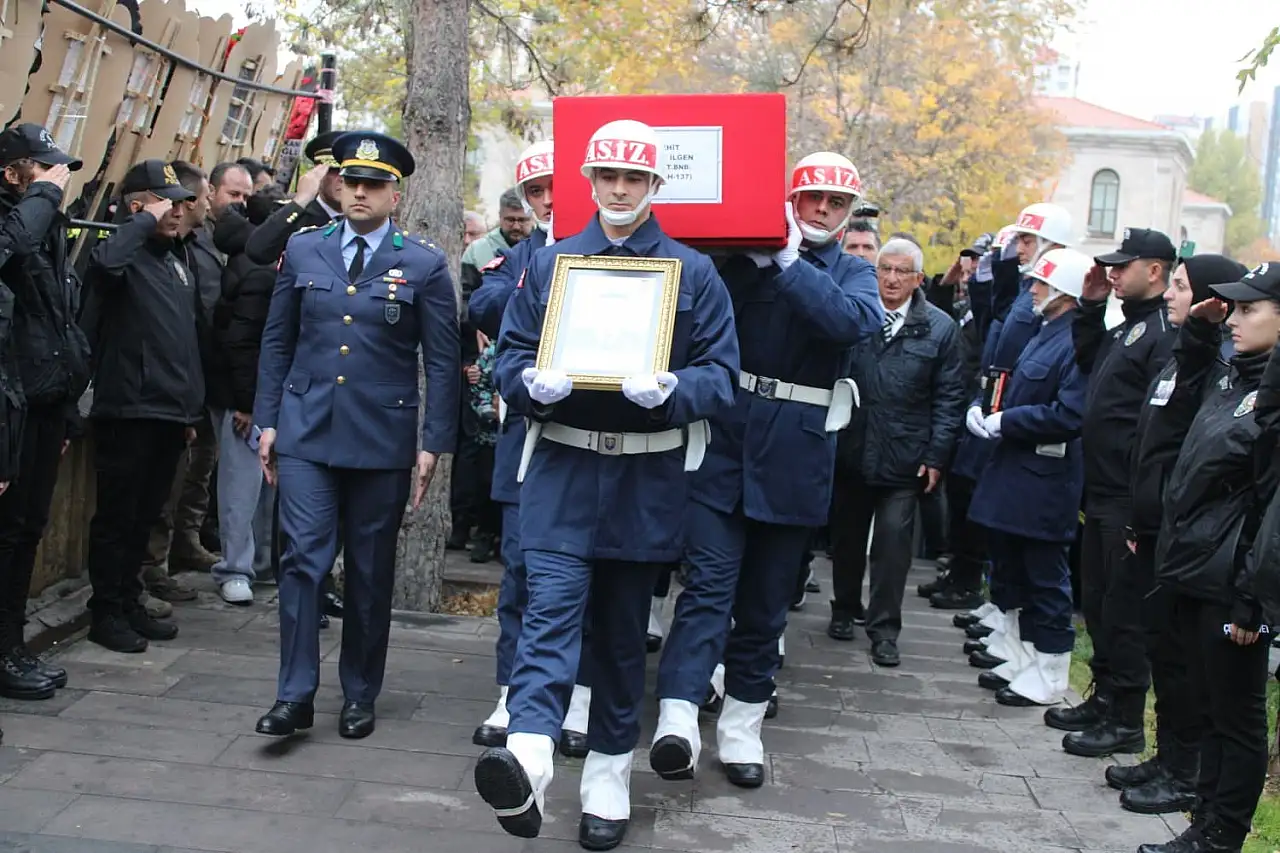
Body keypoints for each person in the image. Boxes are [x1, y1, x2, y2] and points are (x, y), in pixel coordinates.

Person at [473, 118, 739, 851]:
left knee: (623, 639)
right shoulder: (554, 261)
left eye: (634, 179)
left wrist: (675, 390)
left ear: (655, 186)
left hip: (646, 477)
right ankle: (528, 755)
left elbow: (721, 377)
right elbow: (508, 358)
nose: (619, 190)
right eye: (607, 177)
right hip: (562, 469)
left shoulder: (694, 272)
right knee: (547, 618)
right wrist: (529, 382)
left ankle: (608, 773)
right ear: (588, 183)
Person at [651, 151, 880, 789]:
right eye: (813, 200)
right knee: (705, 591)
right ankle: (677, 715)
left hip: (796, 457)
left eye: (837, 203)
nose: (824, 211)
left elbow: (849, 324)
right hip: (726, 446)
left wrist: (784, 262)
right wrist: (748, 254)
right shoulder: (734, 264)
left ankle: (742, 727)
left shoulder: (853, 274)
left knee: (765, 605)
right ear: (793, 200)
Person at [251, 131, 461, 740]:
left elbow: (443, 360)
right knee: (302, 563)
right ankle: (294, 695)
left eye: (374, 185)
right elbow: (277, 340)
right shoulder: (305, 248)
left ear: (395, 194)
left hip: (380, 438)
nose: (360, 192)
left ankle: (360, 693)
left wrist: (432, 444)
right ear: (337, 183)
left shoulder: (422, 262)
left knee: (369, 573)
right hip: (306, 432)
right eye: (351, 181)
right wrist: (268, 419)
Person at [1134, 264, 1280, 853]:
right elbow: (1181, 400)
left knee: (1236, 714)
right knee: (1211, 704)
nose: (1235, 319)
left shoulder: (1269, 397)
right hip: (1197, 565)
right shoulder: (1235, 376)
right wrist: (1198, 333)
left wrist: (1254, 597)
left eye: (1250, 310)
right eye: (1233, 310)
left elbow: (1271, 505)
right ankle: (1205, 823)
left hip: (1235, 577)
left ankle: (1223, 835)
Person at [1106, 254, 1247, 817]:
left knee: (1184, 661)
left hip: (1188, 535)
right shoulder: (1182, 356)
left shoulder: (1224, 367)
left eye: (1183, 286)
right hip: (1157, 527)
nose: (1170, 294)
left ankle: (1184, 771)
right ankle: (1169, 758)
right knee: (1161, 647)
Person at [468, 139, 595, 758]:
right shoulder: (522, 254)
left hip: (599, 438)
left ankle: (580, 696)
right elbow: (484, 304)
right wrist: (542, 263)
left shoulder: (605, 250)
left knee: (590, 578)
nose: (547, 201)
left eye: (554, 188)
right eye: (536, 192)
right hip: (530, 441)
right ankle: (512, 692)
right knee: (519, 574)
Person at [1055, 228, 1179, 754]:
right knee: (1100, 605)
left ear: (1155, 270)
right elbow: (1090, 363)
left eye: (1123, 266)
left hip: (1127, 496)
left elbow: (1156, 419)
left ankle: (1126, 720)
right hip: (1101, 489)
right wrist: (1090, 306)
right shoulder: (1128, 325)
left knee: (1123, 610)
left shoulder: (1163, 331)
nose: (1113, 272)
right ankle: (1103, 697)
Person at [966, 247, 1089, 707]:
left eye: (1040, 283)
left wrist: (1008, 421)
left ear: (1063, 292)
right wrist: (987, 411)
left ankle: (1052, 669)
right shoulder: (1046, 332)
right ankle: (1024, 657)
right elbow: (1010, 381)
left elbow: (1068, 413)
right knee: (1015, 571)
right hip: (1019, 471)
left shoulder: (1074, 339)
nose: (1032, 289)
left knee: (1044, 577)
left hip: (1044, 475)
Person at [0, 124, 87, 698]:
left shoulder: (44, 221)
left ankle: (10, 645)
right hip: (9, 406)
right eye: (43, 167)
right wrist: (41, 199)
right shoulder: (23, 218)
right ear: (11, 173)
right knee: (7, 535)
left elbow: (57, 317)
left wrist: (65, 407)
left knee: (27, 530)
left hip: (43, 401)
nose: (56, 178)